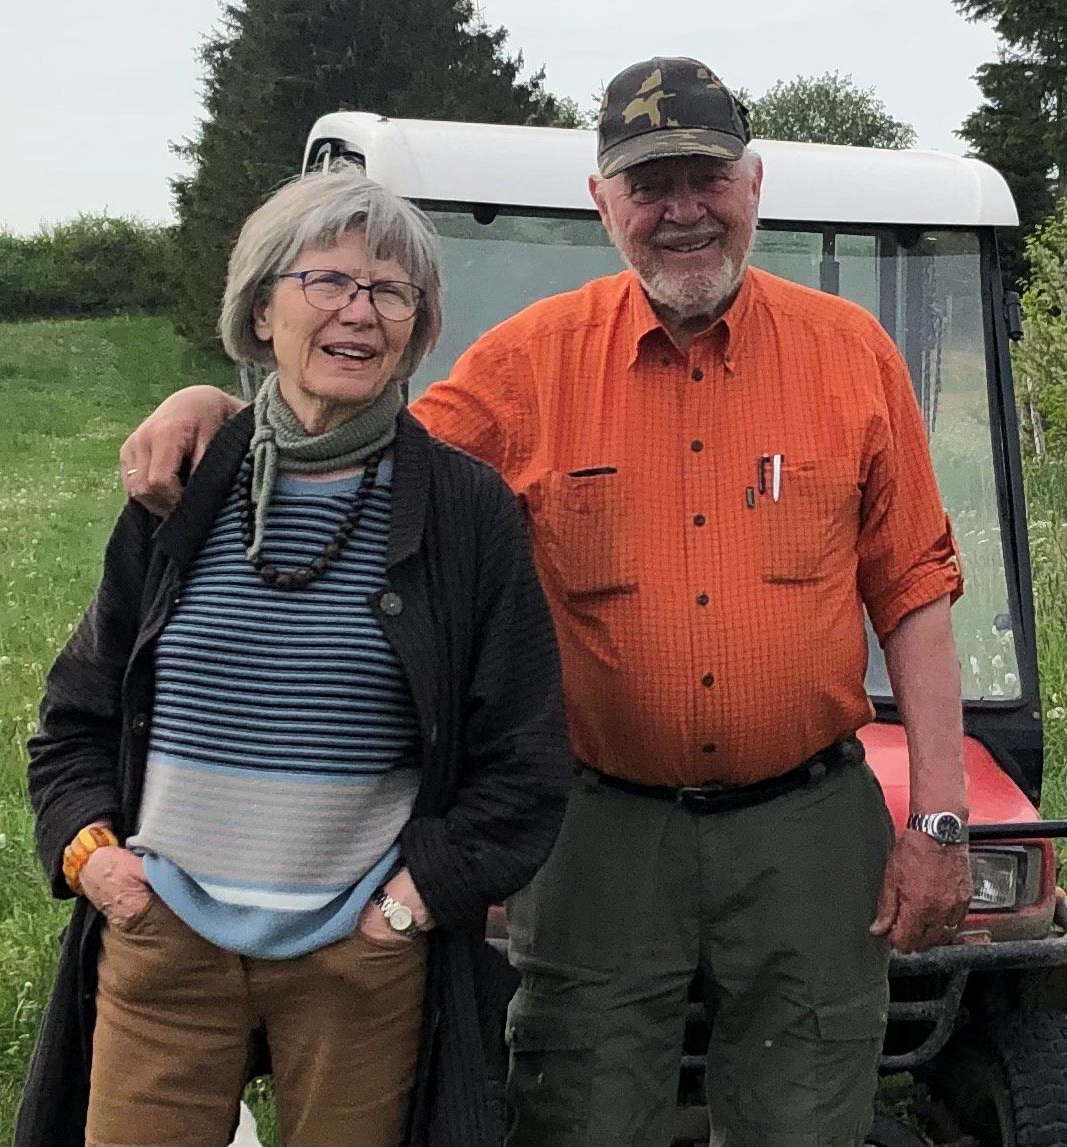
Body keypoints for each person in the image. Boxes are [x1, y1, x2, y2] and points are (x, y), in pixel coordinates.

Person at [116, 57, 974, 1147]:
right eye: (647, 184)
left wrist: (938, 821)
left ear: (752, 186)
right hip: (597, 832)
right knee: (576, 1111)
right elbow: (362, 459)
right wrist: (217, 403)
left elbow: (913, 586)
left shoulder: (851, 355)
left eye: (703, 180)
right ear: (601, 202)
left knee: (808, 1116)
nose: (680, 212)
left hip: (807, 834)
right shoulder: (527, 366)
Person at [15, 170, 572, 1147]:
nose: (359, 312)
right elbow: (78, 717)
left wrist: (407, 906)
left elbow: (522, 757)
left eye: (390, 291)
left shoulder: (466, 512)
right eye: (329, 281)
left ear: (418, 326)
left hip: (359, 961)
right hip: (165, 944)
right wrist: (98, 867)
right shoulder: (178, 490)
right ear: (261, 308)